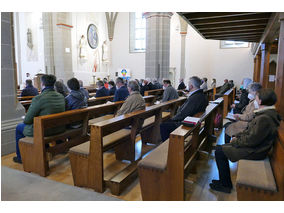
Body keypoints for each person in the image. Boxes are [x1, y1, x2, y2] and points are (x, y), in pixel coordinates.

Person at [210, 88, 281, 193]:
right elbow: (250, 132)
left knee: (220, 152)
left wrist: (235, 140)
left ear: (260, 101)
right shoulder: (266, 114)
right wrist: (237, 137)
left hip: (256, 151)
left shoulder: (265, 118)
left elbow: (252, 140)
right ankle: (223, 181)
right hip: (255, 147)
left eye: (256, 98)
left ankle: (225, 185)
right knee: (220, 150)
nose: (255, 101)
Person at [13, 74, 66, 164]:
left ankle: (20, 157)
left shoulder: (39, 98)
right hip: (59, 128)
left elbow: (27, 120)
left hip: (44, 131)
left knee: (19, 127)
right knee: (41, 124)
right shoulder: (61, 96)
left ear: (42, 84)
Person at [160, 76, 208, 141]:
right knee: (167, 122)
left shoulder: (195, 98)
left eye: (188, 84)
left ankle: (169, 146)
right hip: (194, 120)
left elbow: (183, 114)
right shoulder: (201, 95)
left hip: (187, 122)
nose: (187, 86)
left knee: (163, 126)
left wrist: (173, 119)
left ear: (191, 86)